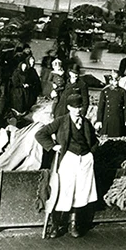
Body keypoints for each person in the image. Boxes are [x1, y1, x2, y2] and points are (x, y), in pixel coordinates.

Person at [36, 94, 98, 239]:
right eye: (75, 107)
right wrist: (53, 147)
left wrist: (91, 154)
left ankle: (73, 225)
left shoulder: (86, 123)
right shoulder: (61, 121)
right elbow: (40, 134)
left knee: (80, 192)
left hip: (84, 161)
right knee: (63, 191)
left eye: (80, 107)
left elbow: (94, 141)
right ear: (69, 107)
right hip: (68, 159)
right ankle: (56, 226)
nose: (78, 110)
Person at [95, 70, 126, 137]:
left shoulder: (122, 91)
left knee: (118, 136)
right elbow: (100, 107)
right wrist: (99, 120)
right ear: (110, 81)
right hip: (107, 119)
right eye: (114, 81)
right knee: (106, 136)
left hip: (119, 119)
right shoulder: (104, 92)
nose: (116, 83)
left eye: (117, 81)